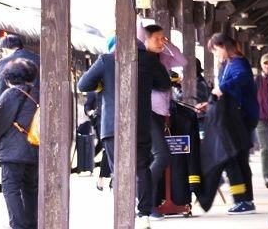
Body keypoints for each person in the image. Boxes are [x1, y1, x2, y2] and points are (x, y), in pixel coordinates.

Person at [77, 29, 172, 228]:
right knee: (142, 168)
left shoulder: (106, 60)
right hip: (141, 124)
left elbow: (83, 85)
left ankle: (122, 213)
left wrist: (102, 84)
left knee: (118, 171)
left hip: (112, 126)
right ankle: (143, 214)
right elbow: (164, 83)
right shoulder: (149, 60)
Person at [137, 23, 186, 221]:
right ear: (144, 40)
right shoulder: (140, 60)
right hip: (147, 112)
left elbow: (182, 60)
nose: (160, 42)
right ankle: (142, 194)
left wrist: (168, 44)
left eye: (162, 38)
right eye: (157, 39)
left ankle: (146, 199)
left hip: (161, 113)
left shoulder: (162, 58)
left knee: (155, 157)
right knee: (162, 155)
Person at [209, 32, 260, 214]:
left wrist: (221, 88)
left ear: (223, 46)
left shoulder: (237, 62)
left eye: (216, 50)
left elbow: (242, 78)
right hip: (238, 116)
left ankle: (243, 200)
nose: (216, 55)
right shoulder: (228, 64)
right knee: (238, 159)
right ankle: (245, 200)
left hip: (241, 117)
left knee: (235, 158)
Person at [0, 59, 39, 229]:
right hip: (33, 150)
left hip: (13, 153)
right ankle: (32, 225)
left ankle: (18, 226)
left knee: (11, 188)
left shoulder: (11, 94)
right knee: (30, 188)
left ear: (9, 77)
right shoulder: (36, 94)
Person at [0, 34, 40, 101]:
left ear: (3, 50)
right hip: (40, 102)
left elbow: (1, 90)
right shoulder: (38, 57)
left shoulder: (5, 61)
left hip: (20, 105)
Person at [254, 52, 268, 188]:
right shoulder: (256, 81)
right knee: (265, 148)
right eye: (265, 63)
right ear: (261, 65)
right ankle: (267, 175)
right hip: (261, 119)